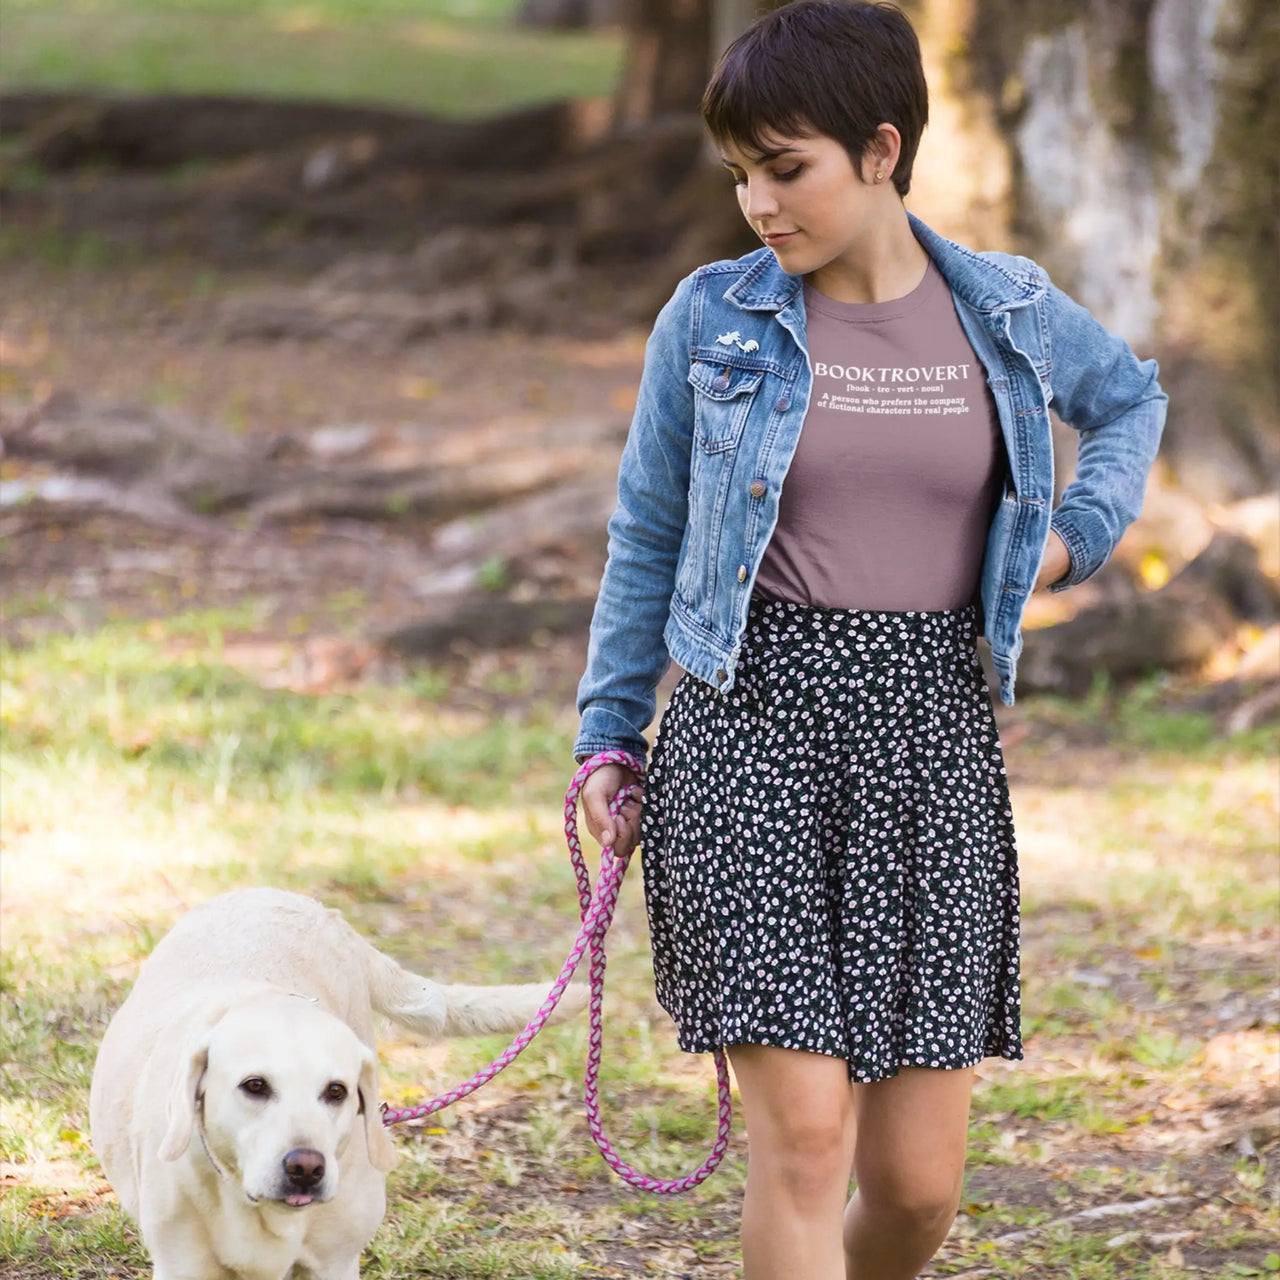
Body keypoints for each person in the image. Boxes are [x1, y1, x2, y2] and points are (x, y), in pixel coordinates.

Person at [572, 3, 1166, 1276]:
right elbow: (646, 532)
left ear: (881, 149)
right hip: (749, 731)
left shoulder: (1001, 308)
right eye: (740, 175)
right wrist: (609, 733)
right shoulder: (712, 319)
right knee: (802, 1141)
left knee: (912, 1189)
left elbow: (1128, 399)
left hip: (931, 743)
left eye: (785, 169)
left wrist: (1070, 540)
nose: (758, 206)